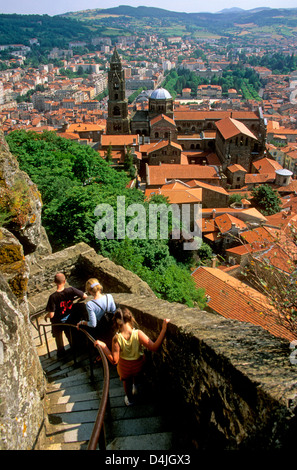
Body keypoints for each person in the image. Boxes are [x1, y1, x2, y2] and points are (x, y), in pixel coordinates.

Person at [94, 307, 170, 406]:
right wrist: (163, 329)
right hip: (138, 365)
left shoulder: (116, 338)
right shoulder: (138, 333)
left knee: (126, 382)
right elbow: (154, 347)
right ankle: (137, 388)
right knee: (137, 376)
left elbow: (114, 361)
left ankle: (130, 400)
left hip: (124, 368)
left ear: (117, 322)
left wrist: (104, 346)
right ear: (131, 319)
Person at [45, 272, 87, 358]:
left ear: (55, 282)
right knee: (70, 334)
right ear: (64, 281)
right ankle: (74, 350)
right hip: (69, 317)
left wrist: (46, 316)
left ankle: (61, 354)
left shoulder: (53, 297)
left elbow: (51, 314)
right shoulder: (71, 290)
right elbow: (85, 296)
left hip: (57, 321)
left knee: (58, 337)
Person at [77, 278, 117, 353]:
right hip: (112, 327)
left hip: (102, 331)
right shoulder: (109, 296)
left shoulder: (90, 304)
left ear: (89, 291)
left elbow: (93, 324)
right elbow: (114, 312)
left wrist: (82, 322)